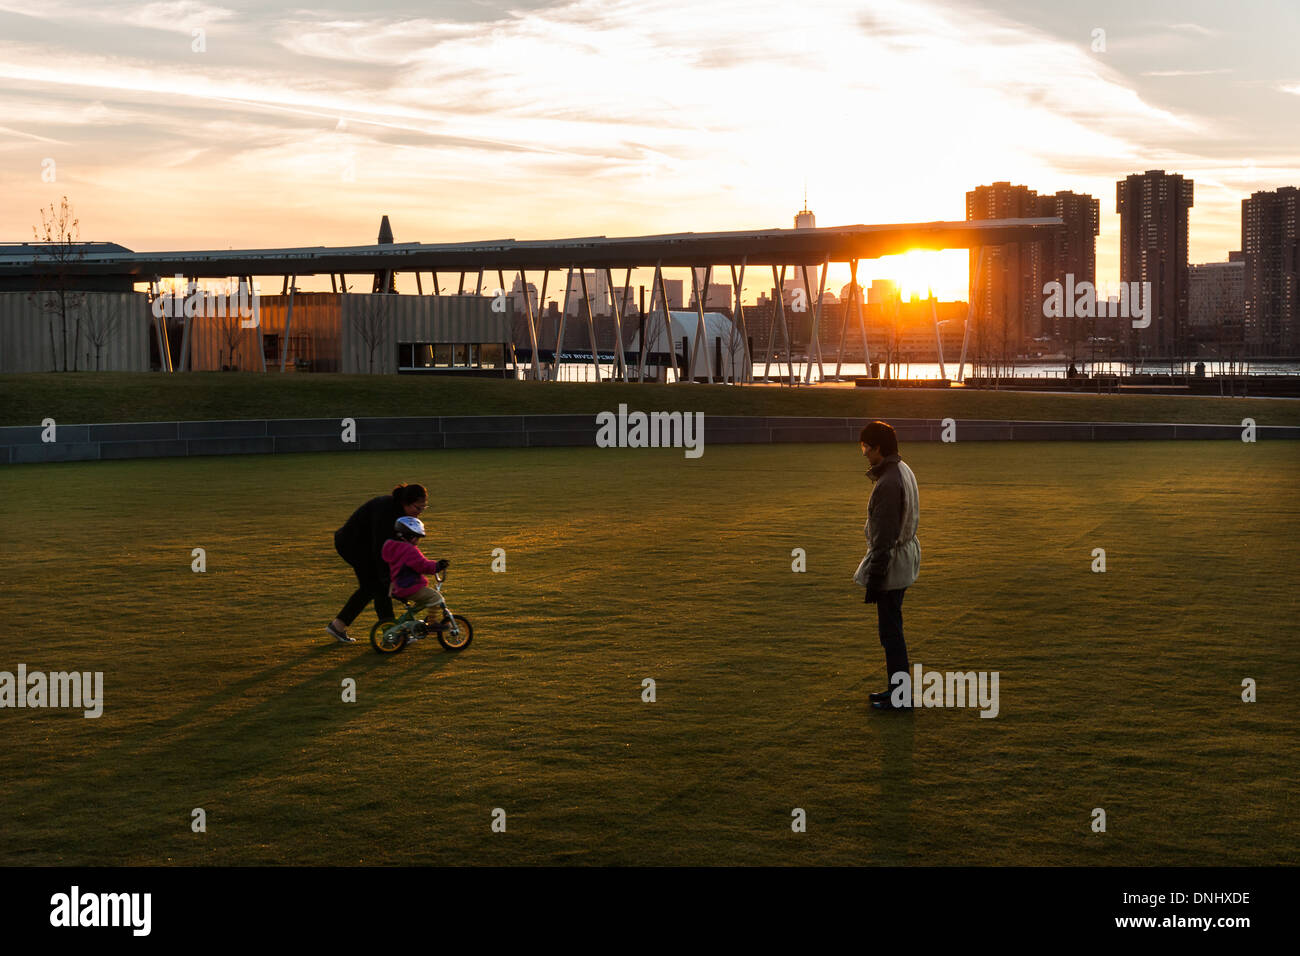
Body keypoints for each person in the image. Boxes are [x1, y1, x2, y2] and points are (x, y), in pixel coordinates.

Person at [854, 421, 921, 710]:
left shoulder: (889, 483)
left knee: (891, 633)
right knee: (893, 630)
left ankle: (900, 697)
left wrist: (874, 579)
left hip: (892, 564)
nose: (865, 453)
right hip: (904, 558)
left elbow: (883, 539)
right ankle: (896, 691)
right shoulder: (902, 470)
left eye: (866, 447)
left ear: (879, 447)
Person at [326, 482, 427, 643]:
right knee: (380, 587)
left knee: (370, 587)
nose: (420, 512)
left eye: (423, 508)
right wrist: (389, 578)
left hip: (367, 546)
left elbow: (395, 545)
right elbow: (380, 549)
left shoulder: (401, 513)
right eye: (417, 508)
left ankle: (338, 625)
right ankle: (391, 635)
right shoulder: (386, 511)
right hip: (352, 545)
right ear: (406, 503)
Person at [380, 517, 451, 642]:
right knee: (436, 597)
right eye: (416, 537)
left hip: (398, 585)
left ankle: (411, 627)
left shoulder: (394, 547)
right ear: (408, 536)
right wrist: (438, 566)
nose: (417, 541)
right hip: (409, 586)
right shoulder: (409, 550)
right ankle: (432, 623)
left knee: (420, 604)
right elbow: (422, 565)